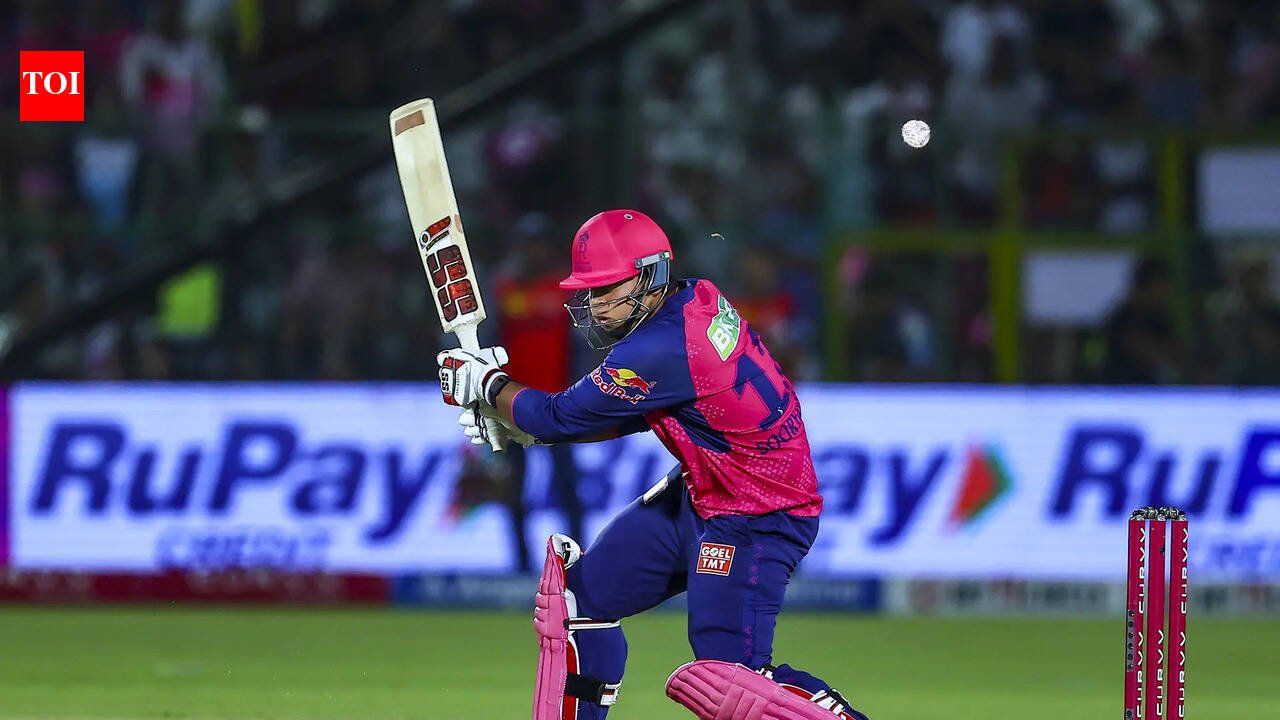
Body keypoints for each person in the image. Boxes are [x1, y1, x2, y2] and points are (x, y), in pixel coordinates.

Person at [436, 210, 869, 719]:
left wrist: (487, 385)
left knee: (733, 682)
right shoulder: (696, 297)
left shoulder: (659, 348)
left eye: (607, 289)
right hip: (702, 492)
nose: (595, 304)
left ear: (650, 276)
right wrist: (520, 425)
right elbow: (639, 412)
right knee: (576, 606)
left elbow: (559, 416)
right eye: (590, 291)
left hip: (757, 515)